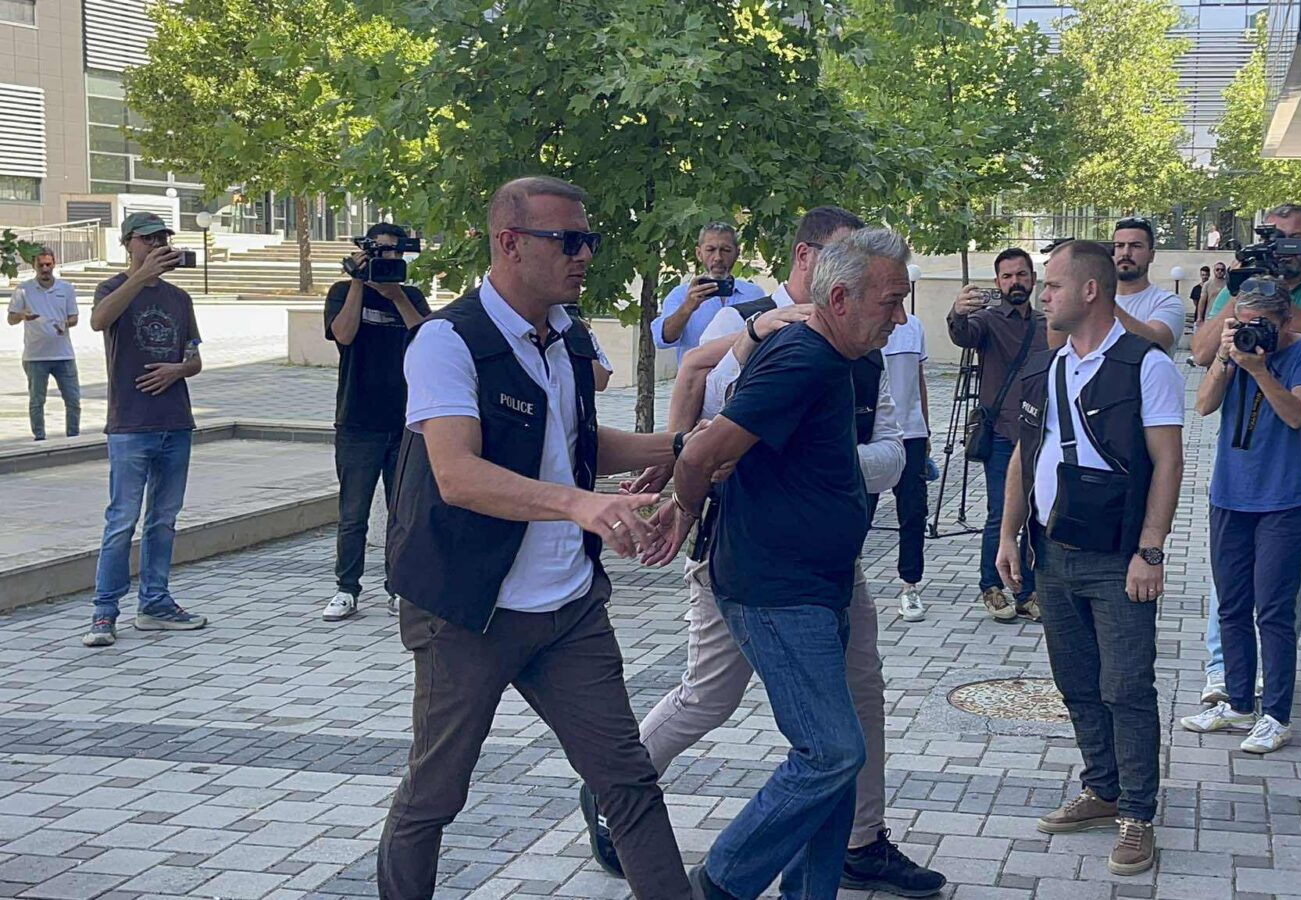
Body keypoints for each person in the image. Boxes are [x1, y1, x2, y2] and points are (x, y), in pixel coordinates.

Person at [596, 207, 943, 899]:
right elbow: (701, 450)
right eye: (891, 302)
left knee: (835, 754)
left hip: (818, 582)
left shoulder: (837, 355)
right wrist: (683, 511)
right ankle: (720, 884)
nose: (900, 318)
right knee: (831, 751)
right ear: (839, 298)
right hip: (776, 590)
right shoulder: (803, 358)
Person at [376, 176, 693, 899]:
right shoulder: (446, 341)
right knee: (434, 796)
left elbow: (573, 442)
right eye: (569, 241)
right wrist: (580, 505)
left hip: (568, 609)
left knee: (629, 783)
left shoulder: (569, 337)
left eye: (590, 240)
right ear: (510, 243)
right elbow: (457, 473)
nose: (586, 255)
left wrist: (681, 447)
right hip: (467, 611)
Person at [997, 239, 1184, 876]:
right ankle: (1102, 789)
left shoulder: (1145, 364)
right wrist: (1008, 536)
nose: (1041, 294)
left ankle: (1137, 813)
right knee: (1076, 682)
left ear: (1089, 291)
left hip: (1117, 555)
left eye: (1052, 285)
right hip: (1052, 551)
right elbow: (1025, 456)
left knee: (1126, 687)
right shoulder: (1050, 365)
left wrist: (1150, 551)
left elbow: (1168, 462)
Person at [1190, 203, 1301, 706]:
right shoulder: (1243, 290)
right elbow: (1200, 353)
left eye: (1292, 239)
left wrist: (1277, 302)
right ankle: (1226, 672)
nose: (1282, 248)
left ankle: (1272, 674)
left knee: (1286, 573)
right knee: (1232, 578)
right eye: (1274, 238)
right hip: (1241, 449)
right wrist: (1242, 299)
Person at [1181, 284, 1301, 754]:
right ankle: (1238, 703)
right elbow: (1203, 405)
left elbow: (1297, 414)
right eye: (1242, 324)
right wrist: (1226, 358)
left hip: (1283, 500)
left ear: (1285, 322)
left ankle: (1277, 715)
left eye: (1262, 325)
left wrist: (1260, 370)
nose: (1252, 333)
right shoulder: (1234, 353)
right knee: (1231, 606)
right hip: (1229, 495)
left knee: (1275, 612)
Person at [81, 213, 206, 648]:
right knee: (122, 519)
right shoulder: (112, 288)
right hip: (130, 423)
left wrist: (179, 369)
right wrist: (140, 277)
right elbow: (98, 321)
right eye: (147, 239)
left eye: (163, 238)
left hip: (175, 420)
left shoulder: (179, 298)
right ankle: (104, 611)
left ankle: (155, 602)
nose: (157, 245)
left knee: (164, 520)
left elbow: (194, 357)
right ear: (128, 244)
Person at [320, 224, 431, 622]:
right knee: (354, 514)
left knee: (403, 512)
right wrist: (357, 280)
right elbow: (344, 335)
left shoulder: (411, 296)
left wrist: (397, 295)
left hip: (404, 422)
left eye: (395, 252)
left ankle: (397, 587)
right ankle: (346, 589)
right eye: (380, 251)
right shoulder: (341, 292)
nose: (388, 258)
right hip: (358, 421)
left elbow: (428, 341)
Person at [949, 248, 1048, 622]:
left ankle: (1026, 591)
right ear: (997, 282)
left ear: (1032, 279)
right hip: (1003, 434)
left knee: (1035, 514)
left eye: (1021, 275)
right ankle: (991, 586)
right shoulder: (987, 321)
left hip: (1041, 435)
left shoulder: (1047, 324)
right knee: (1001, 514)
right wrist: (958, 312)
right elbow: (963, 334)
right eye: (1007, 276)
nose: (1015, 282)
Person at [650, 221, 766, 363]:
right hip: (697, 376)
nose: (718, 257)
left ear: (737, 253)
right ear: (699, 254)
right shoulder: (681, 295)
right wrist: (687, 307)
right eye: (710, 250)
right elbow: (662, 340)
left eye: (726, 250)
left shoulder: (754, 294)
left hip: (743, 376)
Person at [880, 311, 932, 622]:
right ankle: (847, 581)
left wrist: (926, 428)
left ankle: (910, 584)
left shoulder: (913, 326)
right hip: (873, 432)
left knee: (913, 511)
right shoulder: (860, 322)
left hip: (912, 433)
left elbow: (919, 380)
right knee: (858, 509)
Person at [8, 247, 81, 441]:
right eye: (41, 265)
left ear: (54, 264)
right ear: (34, 266)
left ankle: (73, 437)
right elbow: (11, 319)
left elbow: (74, 318)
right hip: (35, 357)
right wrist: (23, 315)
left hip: (64, 355)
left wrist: (65, 324)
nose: (45, 269)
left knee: (73, 399)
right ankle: (39, 438)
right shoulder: (23, 289)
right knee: (37, 401)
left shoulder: (66, 288)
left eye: (48, 264)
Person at [1108, 216, 1188, 353]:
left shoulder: (1167, 302)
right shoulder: (1090, 299)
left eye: (1136, 246)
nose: (1126, 253)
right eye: (1119, 246)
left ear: (1152, 255)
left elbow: (1157, 342)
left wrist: (1105, 303)